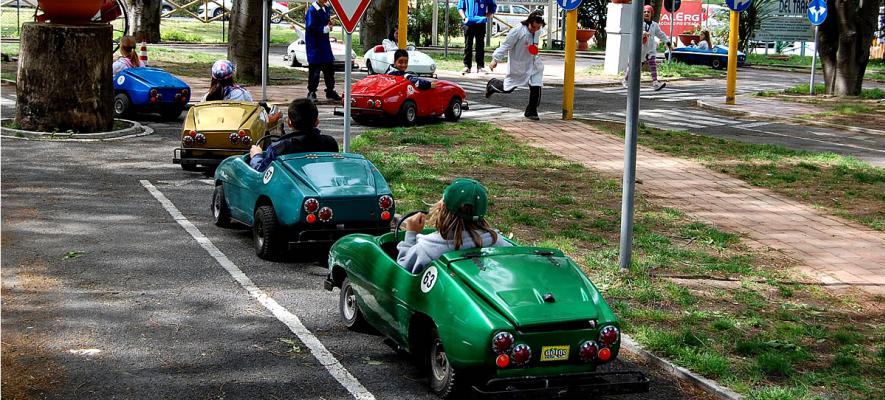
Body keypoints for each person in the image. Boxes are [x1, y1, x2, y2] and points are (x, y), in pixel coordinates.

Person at [397, 178, 511, 274]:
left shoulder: (426, 249)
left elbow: (402, 270)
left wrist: (411, 234)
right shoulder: (497, 241)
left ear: (441, 209)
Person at [484, 11, 545, 121]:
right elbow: (505, 45)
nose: (535, 30)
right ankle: (492, 84)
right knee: (508, 88)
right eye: (533, 27)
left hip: (534, 63)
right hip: (519, 64)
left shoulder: (538, 31)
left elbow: (533, 44)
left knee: (536, 85)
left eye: (538, 27)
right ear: (529, 22)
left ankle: (531, 111)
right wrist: (495, 59)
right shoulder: (517, 31)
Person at [249, 98, 339, 172]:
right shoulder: (329, 143)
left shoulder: (279, 148)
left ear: (289, 123)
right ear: (317, 122)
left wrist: (256, 156)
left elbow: (261, 171)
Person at [623, 5, 673, 91]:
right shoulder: (638, 23)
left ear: (651, 14)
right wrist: (643, 33)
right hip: (639, 49)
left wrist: (668, 43)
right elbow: (635, 32)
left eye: (648, 12)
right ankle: (626, 80)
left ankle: (655, 83)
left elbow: (661, 34)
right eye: (645, 12)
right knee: (633, 65)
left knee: (653, 64)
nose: (646, 13)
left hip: (650, 49)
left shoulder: (655, 25)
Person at [305, 0, 342, 103]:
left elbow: (325, 21)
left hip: (324, 45)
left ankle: (330, 90)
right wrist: (324, 29)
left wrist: (328, 25)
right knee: (314, 71)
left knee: (329, 70)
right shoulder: (312, 10)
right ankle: (311, 92)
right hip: (315, 46)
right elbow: (310, 27)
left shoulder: (326, 8)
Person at [458, 0, 497, 74]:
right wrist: (464, 18)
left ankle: (480, 67)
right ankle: (467, 66)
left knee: (480, 45)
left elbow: (493, 7)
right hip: (468, 23)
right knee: (468, 45)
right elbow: (460, 7)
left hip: (480, 24)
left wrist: (486, 16)